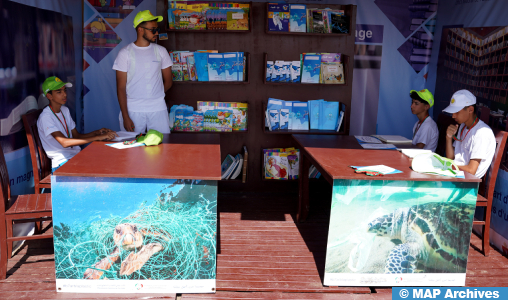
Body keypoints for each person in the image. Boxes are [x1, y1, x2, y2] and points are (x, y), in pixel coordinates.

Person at [37, 76, 117, 173]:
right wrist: (97, 138)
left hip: (75, 157)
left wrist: (98, 133)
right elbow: (65, 143)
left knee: (105, 160)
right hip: (62, 163)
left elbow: (77, 136)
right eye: (59, 92)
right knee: (100, 169)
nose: (65, 94)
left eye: (65, 90)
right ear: (49, 96)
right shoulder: (46, 117)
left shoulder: (64, 110)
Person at [113, 10, 173, 134]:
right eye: (153, 29)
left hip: (158, 108)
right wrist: (125, 116)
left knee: (162, 146)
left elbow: (168, 82)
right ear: (140, 29)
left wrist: (154, 95)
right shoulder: (125, 53)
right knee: (132, 149)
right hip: (133, 110)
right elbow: (121, 88)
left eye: (157, 29)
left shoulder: (161, 51)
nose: (157, 33)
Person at [443, 89, 496, 178]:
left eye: (457, 112)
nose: (453, 116)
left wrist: (448, 167)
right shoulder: (463, 126)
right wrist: (448, 137)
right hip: (455, 174)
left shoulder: (482, 132)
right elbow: (451, 158)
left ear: (470, 110)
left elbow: (471, 171)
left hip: (467, 182)